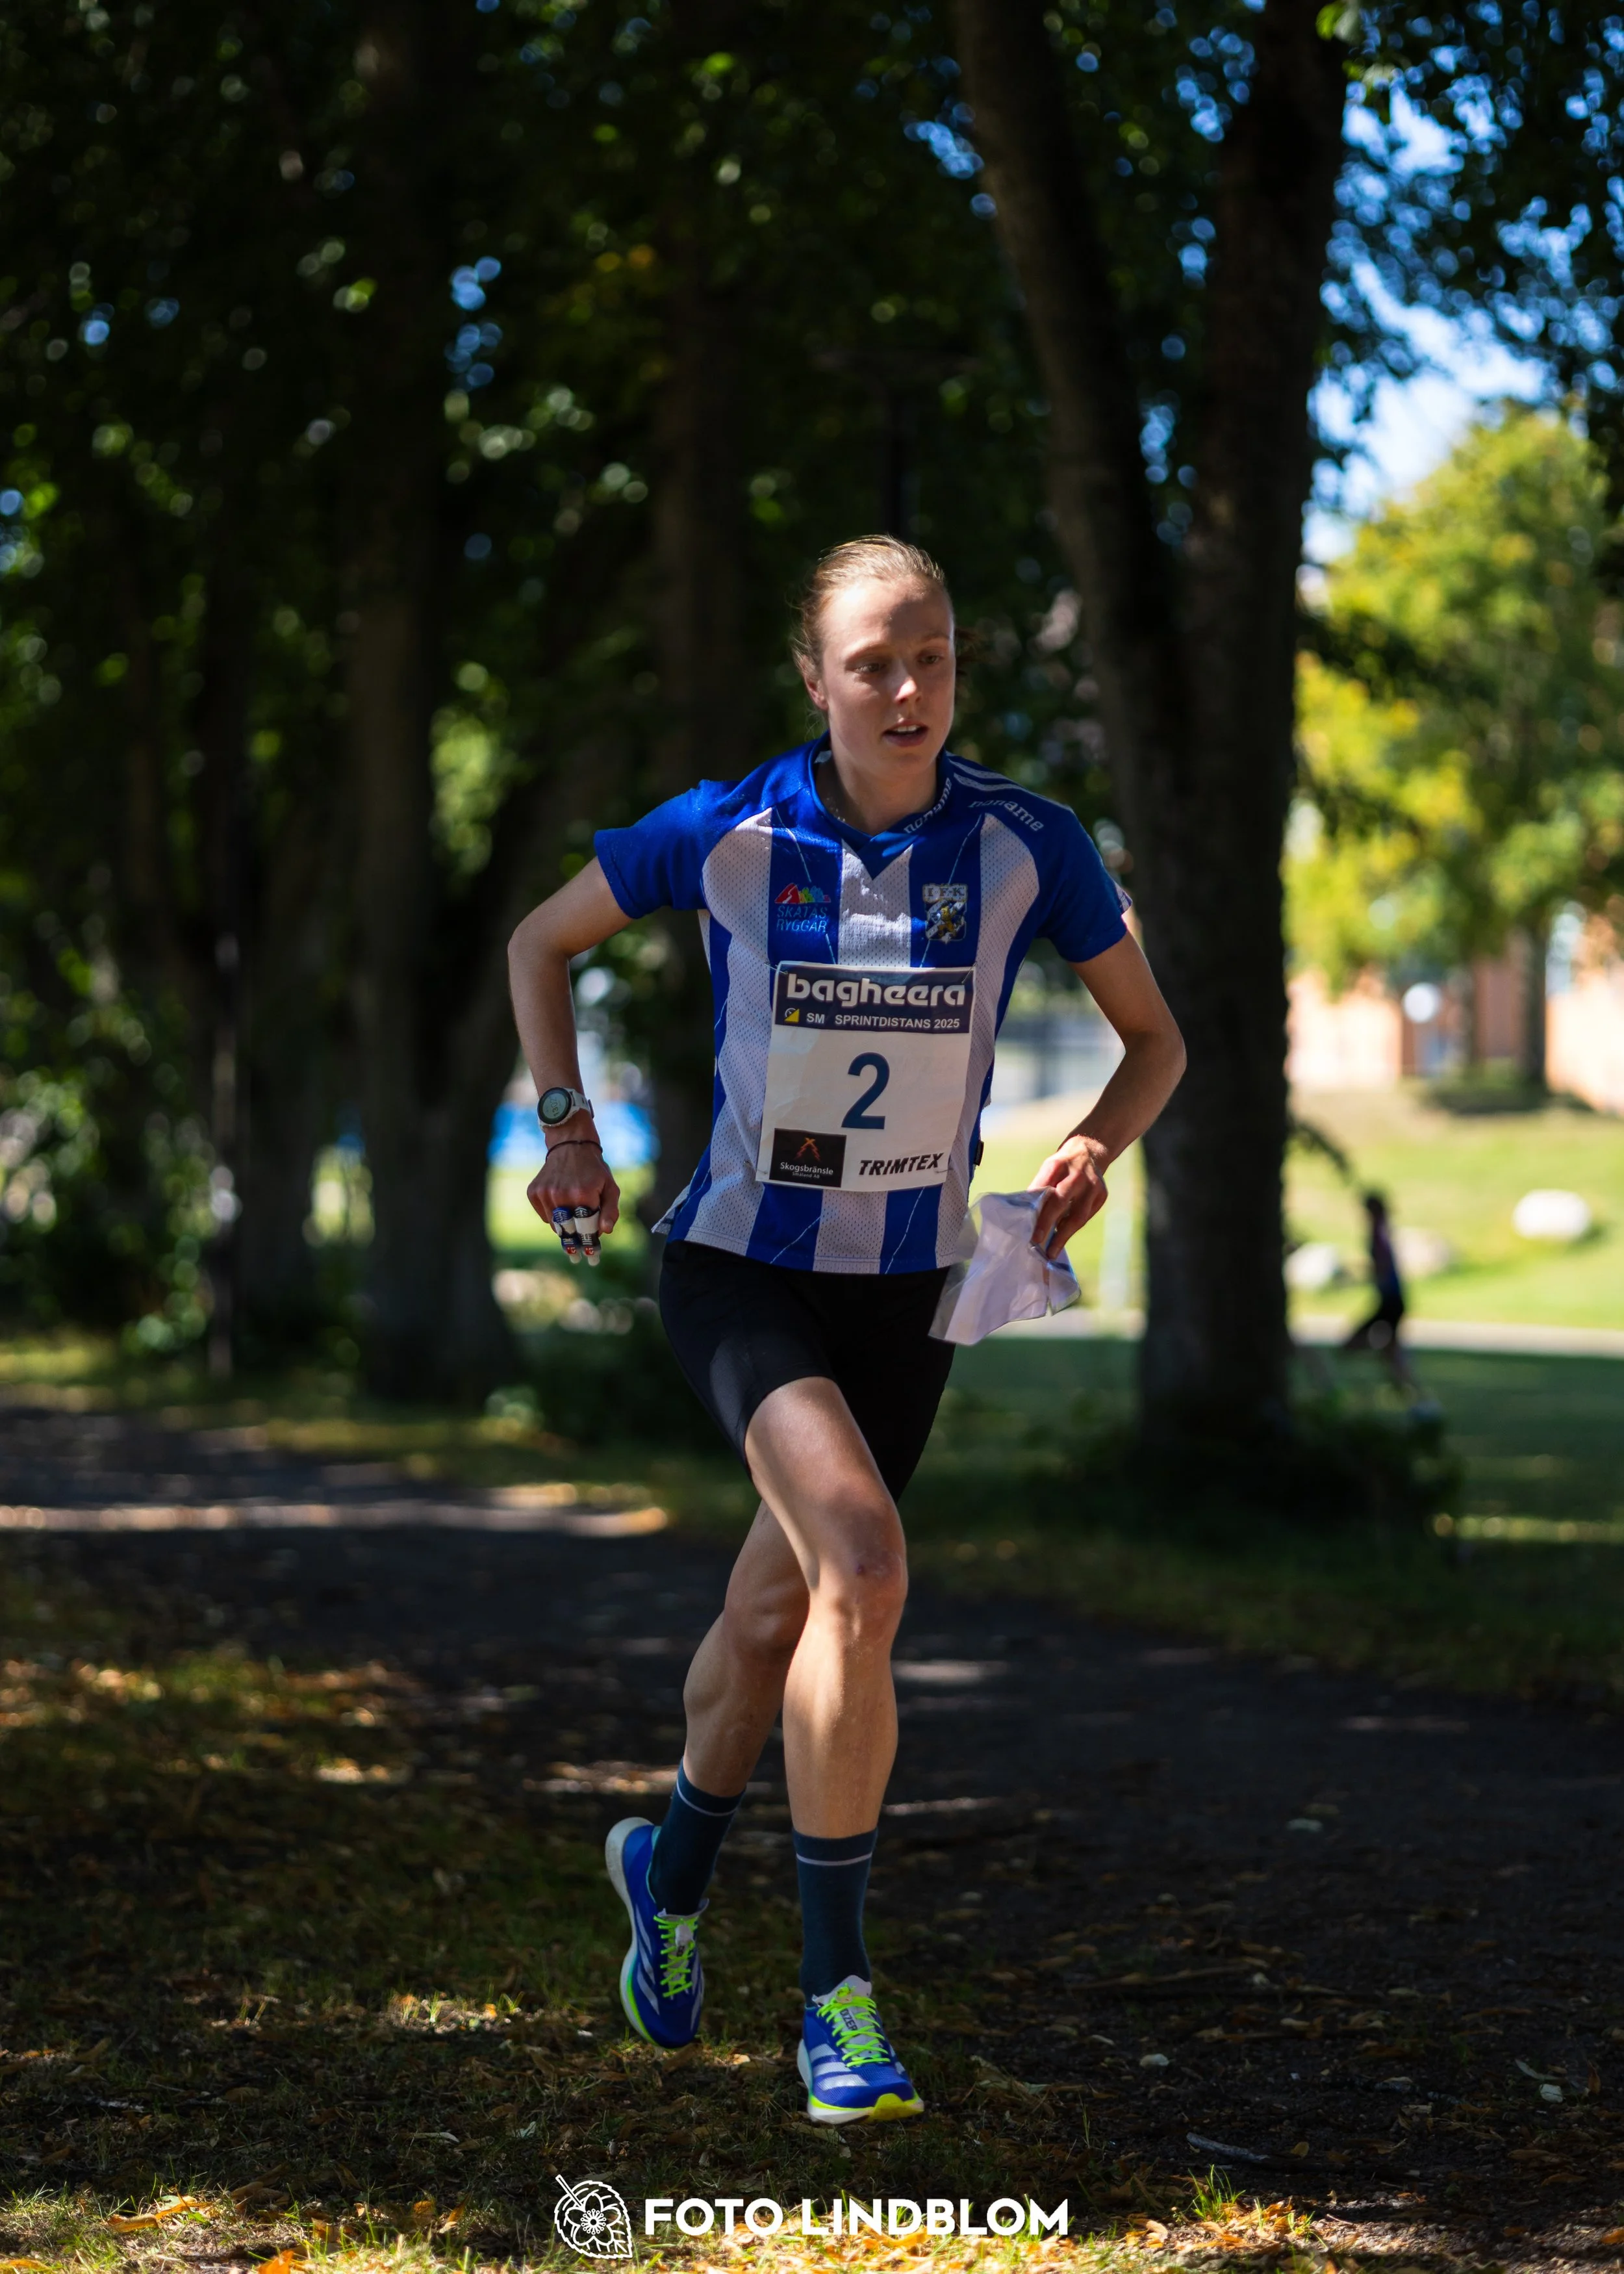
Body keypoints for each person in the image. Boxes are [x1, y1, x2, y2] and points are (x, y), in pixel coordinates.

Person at [507, 536, 1186, 2127]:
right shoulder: (729, 830)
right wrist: (566, 1127)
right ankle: (838, 2004)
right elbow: (541, 942)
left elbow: (1155, 1039)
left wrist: (1096, 1139)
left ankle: (664, 1874)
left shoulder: (1029, 844)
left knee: (780, 1620)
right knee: (865, 1571)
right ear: (815, 680)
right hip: (741, 1263)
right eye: (873, 662)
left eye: (933, 657)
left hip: (911, 1294)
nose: (907, 690)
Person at [1342, 1189, 1417, 1391]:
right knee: (1392, 1350)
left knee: (1359, 1344)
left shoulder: (1378, 1233)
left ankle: (1407, 1388)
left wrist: (1365, 1274)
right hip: (1392, 1298)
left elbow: (1382, 1266)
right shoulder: (1383, 1231)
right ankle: (1406, 1389)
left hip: (1390, 1299)